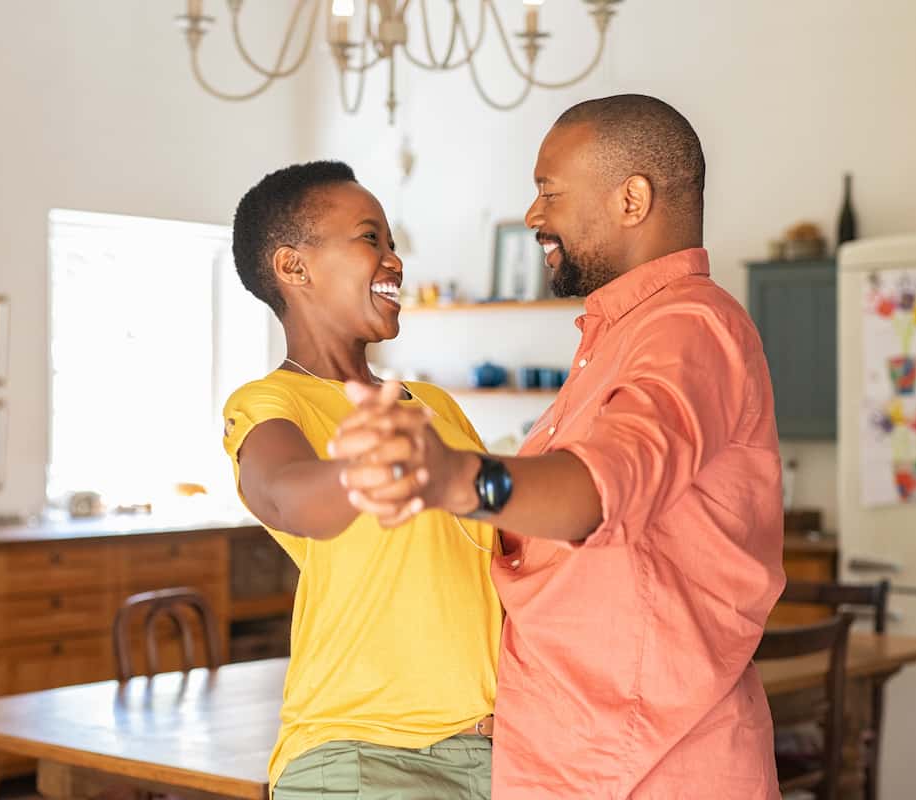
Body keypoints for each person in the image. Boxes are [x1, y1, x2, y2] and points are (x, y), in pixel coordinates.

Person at [331, 95, 787, 798]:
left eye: (549, 191)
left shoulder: (691, 327)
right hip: (569, 749)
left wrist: (455, 479)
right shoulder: (617, 339)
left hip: (651, 767)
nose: (533, 216)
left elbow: (603, 486)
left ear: (632, 198)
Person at [221, 160, 500, 799]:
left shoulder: (433, 405)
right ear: (295, 267)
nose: (394, 260)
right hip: (361, 756)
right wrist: (374, 467)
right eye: (371, 238)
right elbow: (288, 493)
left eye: (394, 242)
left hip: (492, 749)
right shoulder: (268, 403)